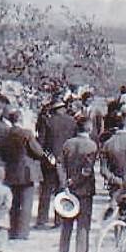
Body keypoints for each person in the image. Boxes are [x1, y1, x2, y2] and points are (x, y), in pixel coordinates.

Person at [0, 108, 51, 240]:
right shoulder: (27, 134)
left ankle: (13, 230)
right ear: (21, 119)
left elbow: (2, 152)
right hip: (27, 172)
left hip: (11, 171)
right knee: (26, 203)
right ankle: (23, 232)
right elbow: (38, 152)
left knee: (14, 204)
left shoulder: (5, 133)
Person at [57, 117, 97, 252]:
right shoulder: (92, 146)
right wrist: (75, 181)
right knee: (83, 222)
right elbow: (87, 170)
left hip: (68, 189)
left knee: (67, 219)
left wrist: (65, 183)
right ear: (89, 129)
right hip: (84, 189)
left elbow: (59, 164)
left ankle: (64, 251)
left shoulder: (68, 143)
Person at [36, 98, 77, 229]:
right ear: (63, 108)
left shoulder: (47, 121)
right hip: (66, 160)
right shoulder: (72, 122)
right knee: (62, 190)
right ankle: (59, 220)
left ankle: (42, 220)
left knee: (46, 191)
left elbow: (41, 143)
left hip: (50, 160)